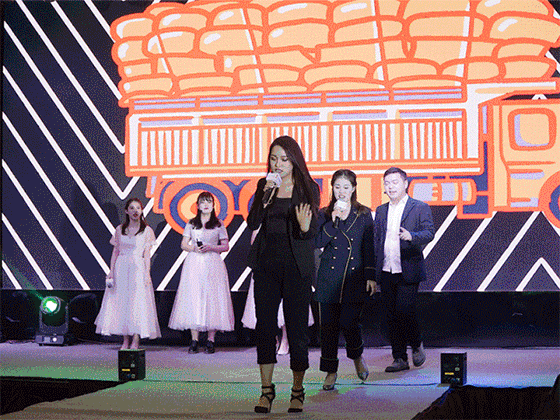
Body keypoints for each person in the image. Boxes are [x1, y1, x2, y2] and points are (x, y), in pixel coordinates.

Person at [247, 135, 320, 413]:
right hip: (266, 266)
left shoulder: (308, 188)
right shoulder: (264, 185)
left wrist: (304, 227)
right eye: (273, 158)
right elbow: (253, 222)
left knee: (297, 330)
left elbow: (312, 233)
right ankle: (266, 391)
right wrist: (264, 198)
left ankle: (297, 390)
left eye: (284, 159)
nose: (277, 164)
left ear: (294, 161)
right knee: (265, 328)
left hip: (296, 268)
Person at [315, 169, 375, 390]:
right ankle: (330, 371)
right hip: (329, 278)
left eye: (346, 187)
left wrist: (370, 275)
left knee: (350, 323)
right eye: (337, 187)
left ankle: (357, 356)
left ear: (353, 189)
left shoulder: (363, 214)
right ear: (332, 188)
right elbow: (317, 242)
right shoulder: (324, 214)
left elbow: (369, 246)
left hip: (354, 276)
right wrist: (333, 222)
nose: (341, 192)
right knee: (328, 327)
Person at [370, 167, 434, 372]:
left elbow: (429, 233)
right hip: (386, 269)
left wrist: (412, 236)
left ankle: (416, 343)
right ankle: (399, 358)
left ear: (405, 184)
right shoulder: (381, 210)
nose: (390, 187)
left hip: (408, 267)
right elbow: (376, 240)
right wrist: (373, 273)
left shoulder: (419, 207)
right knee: (391, 315)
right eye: (387, 183)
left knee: (405, 310)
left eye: (395, 182)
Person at [168, 191, 234, 354]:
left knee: (213, 298)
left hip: (213, 263)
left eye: (209, 202)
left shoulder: (218, 224)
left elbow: (225, 246)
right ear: (197, 205)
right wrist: (194, 248)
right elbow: (183, 244)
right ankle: (194, 340)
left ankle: (211, 340)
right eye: (203, 202)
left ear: (213, 205)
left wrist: (211, 247)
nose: (206, 205)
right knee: (194, 298)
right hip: (194, 263)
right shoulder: (192, 223)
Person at [95, 198, 161, 349]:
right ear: (126, 211)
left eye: (138, 208)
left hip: (138, 268)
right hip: (121, 267)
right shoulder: (120, 229)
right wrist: (111, 271)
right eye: (132, 208)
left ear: (142, 211)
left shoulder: (147, 230)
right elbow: (115, 251)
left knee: (137, 302)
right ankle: (125, 339)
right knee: (122, 301)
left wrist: (147, 273)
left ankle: (136, 339)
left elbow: (147, 255)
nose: (135, 211)